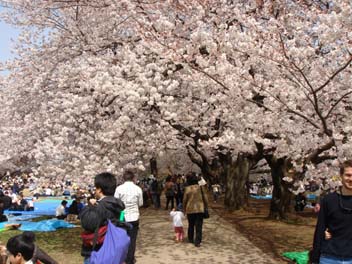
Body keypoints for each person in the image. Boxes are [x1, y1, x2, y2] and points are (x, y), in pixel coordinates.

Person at [310, 160, 352, 264]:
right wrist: (315, 257)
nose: (351, 179)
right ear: (341, 175)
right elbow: (320, 229)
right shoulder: (328, 200)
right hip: (329, 257)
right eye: (348, 175)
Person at [80, 172, 125, 264]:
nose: (94, 191)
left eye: (95, 188)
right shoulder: (118, 206)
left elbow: (87, 223)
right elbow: (121, 223)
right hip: (114, 250)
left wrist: (89, 207)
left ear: (99, 190)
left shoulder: (101, 206)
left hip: (97, 251)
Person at [114, 170, 143, 264]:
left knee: (122, 237)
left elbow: (116, 203)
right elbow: (141, 203)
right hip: (134, 216)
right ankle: (130, 260)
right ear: (133, 178)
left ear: (123, 178)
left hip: (122, 215)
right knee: (132, 239)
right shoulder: (138, 189)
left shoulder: (119, 189)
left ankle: (122, 258)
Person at [183, 173, 208, 247]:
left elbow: (184, 200)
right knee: (199, 226)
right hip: (199, 209)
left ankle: (190, 239)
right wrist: (206, 206)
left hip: (190, 209)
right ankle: (197, 241)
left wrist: (184, 209)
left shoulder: (187, 189)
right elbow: (205, 197)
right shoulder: (200, 188)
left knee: (191, 224)